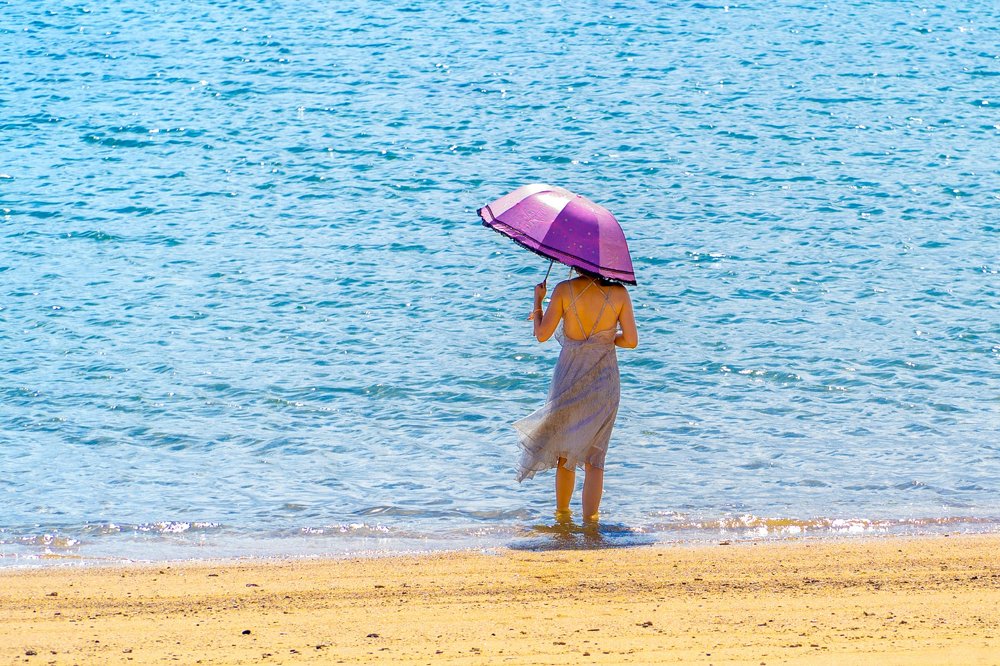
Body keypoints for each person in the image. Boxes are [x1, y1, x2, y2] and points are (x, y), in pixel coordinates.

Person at [515, 266, 638, 523]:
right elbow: (631, 340)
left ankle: (562, 516)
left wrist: (538, 300)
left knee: (564, 452)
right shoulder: (619, 293)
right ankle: (591, 522)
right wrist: (608, 338)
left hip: (568, 377)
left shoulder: (563, 290)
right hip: (605, 382)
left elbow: (542, 335)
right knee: (595, 457)